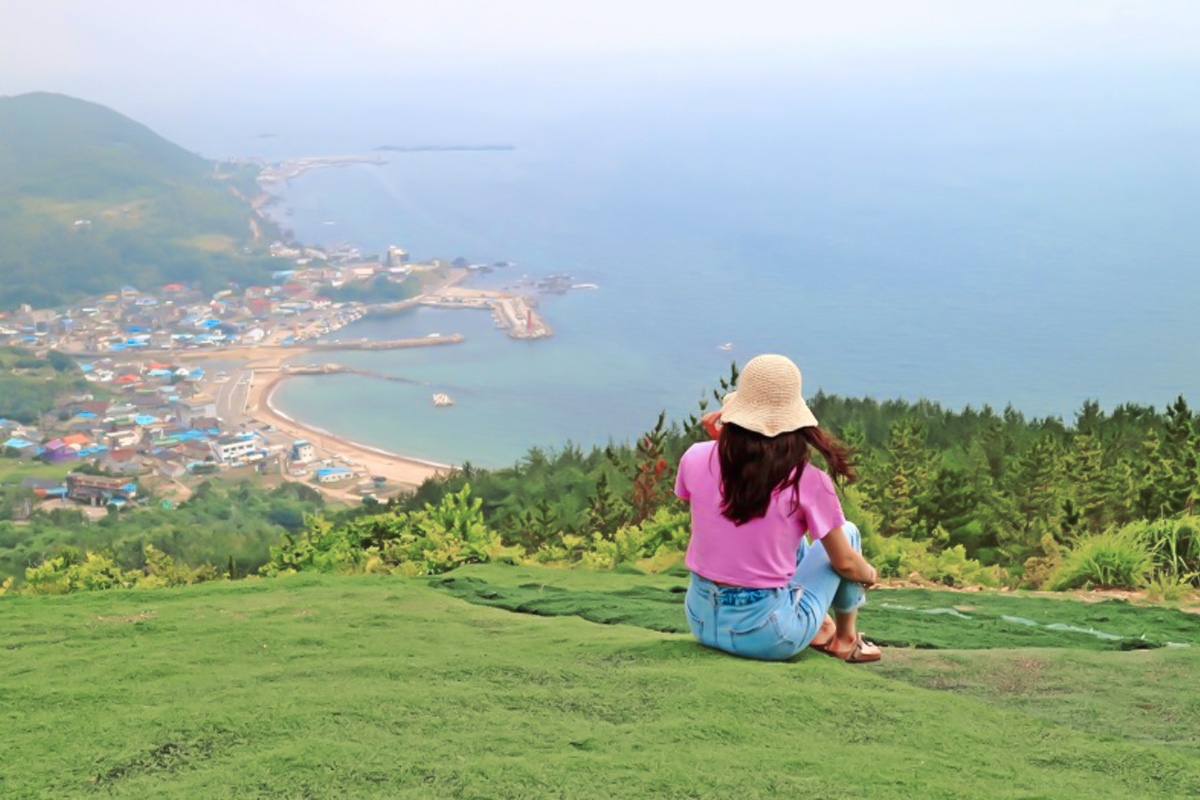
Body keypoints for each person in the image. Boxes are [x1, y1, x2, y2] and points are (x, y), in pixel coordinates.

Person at [675, 354, 881, 663]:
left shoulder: (694, 456)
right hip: (768, 635)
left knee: (789, 530)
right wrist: (869, 574)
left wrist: (726, 445)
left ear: (734, 413)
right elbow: (847, 565)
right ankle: (845, 638)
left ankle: (821, 626)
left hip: (701, 621)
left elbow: (723, 515)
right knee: (846, 534)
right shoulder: (808, 482)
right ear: (794, 421)